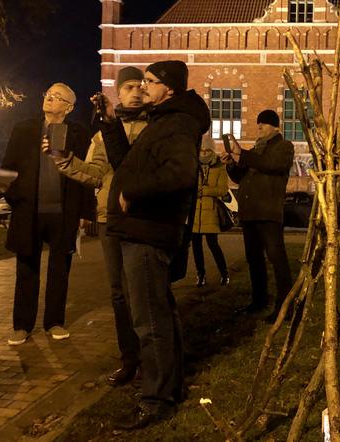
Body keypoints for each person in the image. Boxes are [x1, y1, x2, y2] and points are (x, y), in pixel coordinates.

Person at [98, 60, 210, 429]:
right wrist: (111, 125)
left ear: (170, 88)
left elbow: (179, 173)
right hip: (140, 228)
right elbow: (128, 163)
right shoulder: (163, 119)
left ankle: (155, 399)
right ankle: (169, 387)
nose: (143, 87)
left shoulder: (177, 123)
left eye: (150, 81)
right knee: (158, 312)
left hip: (148, 230)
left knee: (149, 320)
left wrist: (135, 191)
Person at [50, 67, 147, 387]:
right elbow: (94, 173)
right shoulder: (101, 132)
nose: (136, 92)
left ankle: (152, 357)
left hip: (142, 218)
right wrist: (63, 159)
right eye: (129, 86)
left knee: (144, 291)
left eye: (140, 86)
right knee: (118, 293)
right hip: (109, 220)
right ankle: (129, 359)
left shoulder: (155, 127)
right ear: (119, 91)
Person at [1, 83, 94, 346]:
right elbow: (8, 168)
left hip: (63, 212)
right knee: (26, 269)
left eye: (57, 97)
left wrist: (85, 212)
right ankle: (21, 326)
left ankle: (54, 322)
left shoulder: (79, 133)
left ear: (69, 107)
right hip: (29, 211)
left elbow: (86, 173)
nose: (50, 99)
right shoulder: (24, 129)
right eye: (48, 95)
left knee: (59, 271)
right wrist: (15, 199)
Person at [223, 110, 294, 320]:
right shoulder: (256, 150)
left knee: (276, 259)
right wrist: (231, 163)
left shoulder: (283, 147)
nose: (259, 129)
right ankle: (259, 300)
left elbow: (272, 165)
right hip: (251, 213)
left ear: (274, 127)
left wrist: (243, 154)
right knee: (254, 259)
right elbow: (239, 177)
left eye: (262, 125)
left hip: (268, 212)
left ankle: (285, 305)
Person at [191, 137, 230, 288]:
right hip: (195, 212)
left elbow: (222, 189)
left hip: (211, 212)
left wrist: (205, 191)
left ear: (212, 151)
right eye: (202, 150)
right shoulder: (194, 165)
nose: (204, 153)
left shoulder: (219, 167)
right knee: (196, 247)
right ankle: (200, 274)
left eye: (207, 150)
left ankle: (224, 273)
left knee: (213, 244)